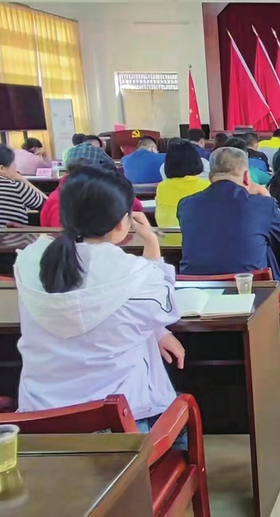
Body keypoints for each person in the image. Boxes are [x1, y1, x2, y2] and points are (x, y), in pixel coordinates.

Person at [15, 167, 186, 432]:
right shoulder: (133, 272)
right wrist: (152, 244)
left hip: (40, 421)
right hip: (119, 424)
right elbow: (163, 307)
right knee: (180, 410)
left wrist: (158, 332)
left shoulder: (30, 259)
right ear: (121, 223)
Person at [177, 146, 280, 381]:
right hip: (253, 306)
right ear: (247, 177)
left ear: (210, 176)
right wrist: (266, 197)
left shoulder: (186, 205)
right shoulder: (261, 205)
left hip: (197, 305)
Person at [41, 147, 144, 228]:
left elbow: (45, 225)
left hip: (60, 246)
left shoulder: (54, 197)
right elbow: (136, 206)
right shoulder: (108, 191)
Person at [155, 140, 210, 227]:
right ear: (196, 160)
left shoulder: (162, 187)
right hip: (195, 235)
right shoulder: (205, 186)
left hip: (167, 235)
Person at [0, 145, 48, 227]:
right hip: (13, 235)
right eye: (13, 163)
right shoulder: (16, 187)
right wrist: (22, 179)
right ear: (1, 168)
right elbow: (49, 206)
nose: (16, 168)